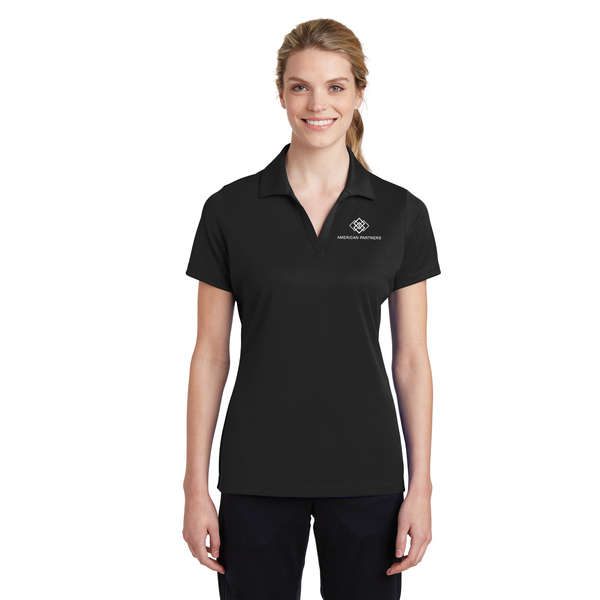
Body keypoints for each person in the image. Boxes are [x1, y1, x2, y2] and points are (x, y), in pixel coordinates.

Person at [182, 18, 441, 600]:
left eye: (335, 87)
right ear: (280, 94)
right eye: (300, 86)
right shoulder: (229, 211)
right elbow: (210, 356)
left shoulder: (400, 213)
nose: (317, 104)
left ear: (359, 93)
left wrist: (421, 486)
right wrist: (194, 487)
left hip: (369, 474)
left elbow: (412, 361)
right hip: (256, 474)